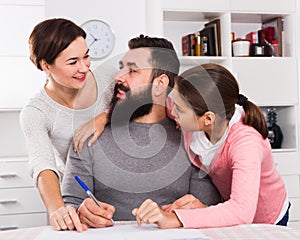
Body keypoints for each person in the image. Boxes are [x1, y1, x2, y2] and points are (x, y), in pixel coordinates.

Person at [61, 35, 221, 228]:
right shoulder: (89, 135)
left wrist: (201, 209)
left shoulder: (194, 140)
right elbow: (70, 204)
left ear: (160, 84)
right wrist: (80, 211)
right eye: (121, 67)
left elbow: (211, 209)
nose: (118, 77)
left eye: (132, 70)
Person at [132, 63, 290, 229]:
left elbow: (241, 211)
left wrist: (174, 219)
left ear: (208, 119)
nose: (172, 112)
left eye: (179, 109)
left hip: (265, 218)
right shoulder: (195, 110)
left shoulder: (246, 144)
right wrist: (104, 117)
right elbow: (157, 101)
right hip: (229, 210)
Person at [19, 18, 113, 232]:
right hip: (84, 199)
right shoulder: (36, 112)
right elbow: (43, 165)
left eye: (86, 56)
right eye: (73, 62)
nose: (84, 68)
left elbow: (144, 100)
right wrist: (57, 209)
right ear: (46, 65)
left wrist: (104, 116)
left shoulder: (107, 78)